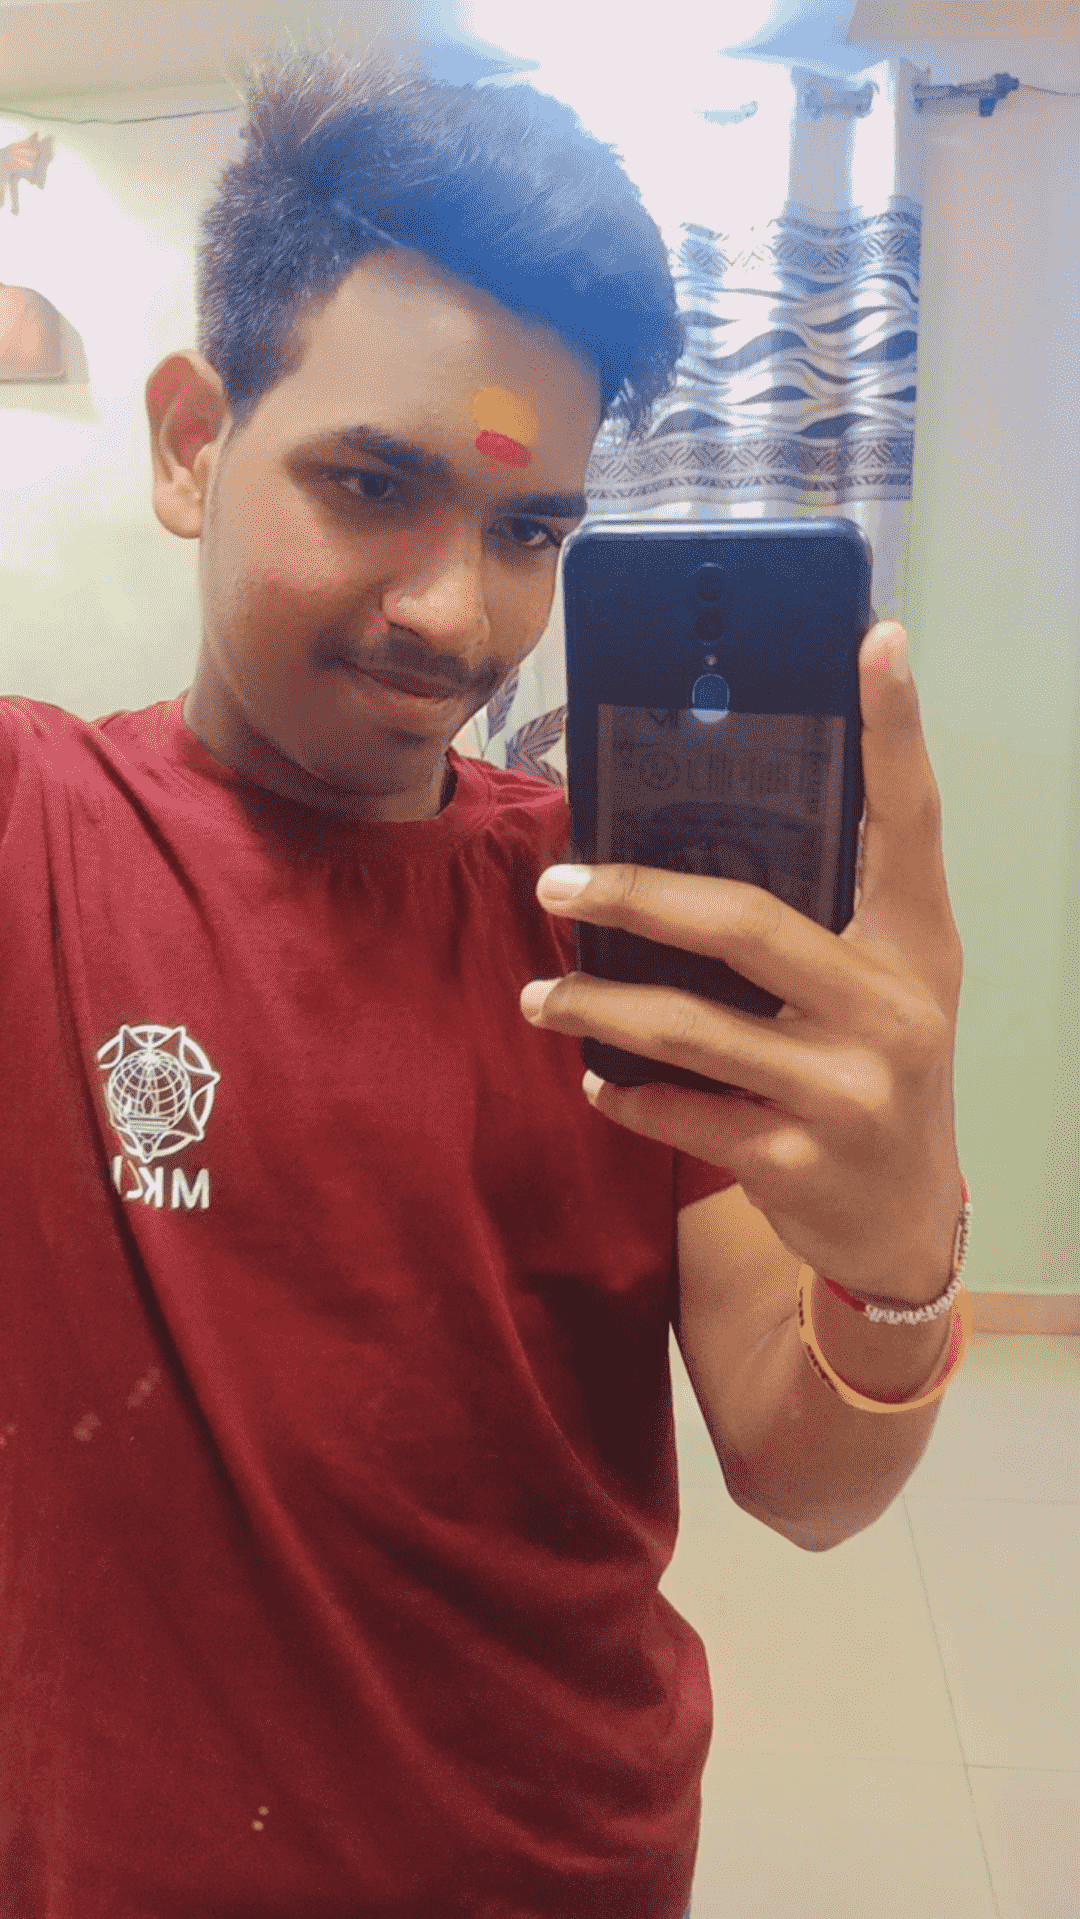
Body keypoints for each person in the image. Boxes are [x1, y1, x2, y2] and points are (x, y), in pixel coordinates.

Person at [0, 40, 971, 1919]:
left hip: (562, 1865)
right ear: (194, 442)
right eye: (372, 483)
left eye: (530, 529)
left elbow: (808, 1478)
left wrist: (895, 1259)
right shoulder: (39, 832)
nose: (459, 615)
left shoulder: (628, 917)